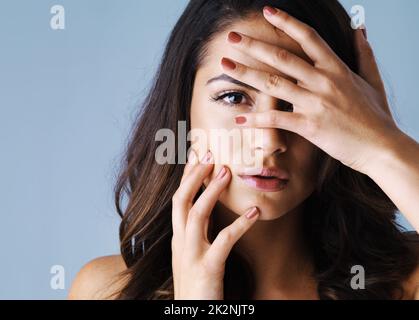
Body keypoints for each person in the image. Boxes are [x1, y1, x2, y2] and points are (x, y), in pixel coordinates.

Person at [68, 0, 419, 300]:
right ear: (183, 111)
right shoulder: (108, 290)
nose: (268, 142)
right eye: (234, 98)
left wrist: (382, 146)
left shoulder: (406, 283)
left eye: (301, 101)